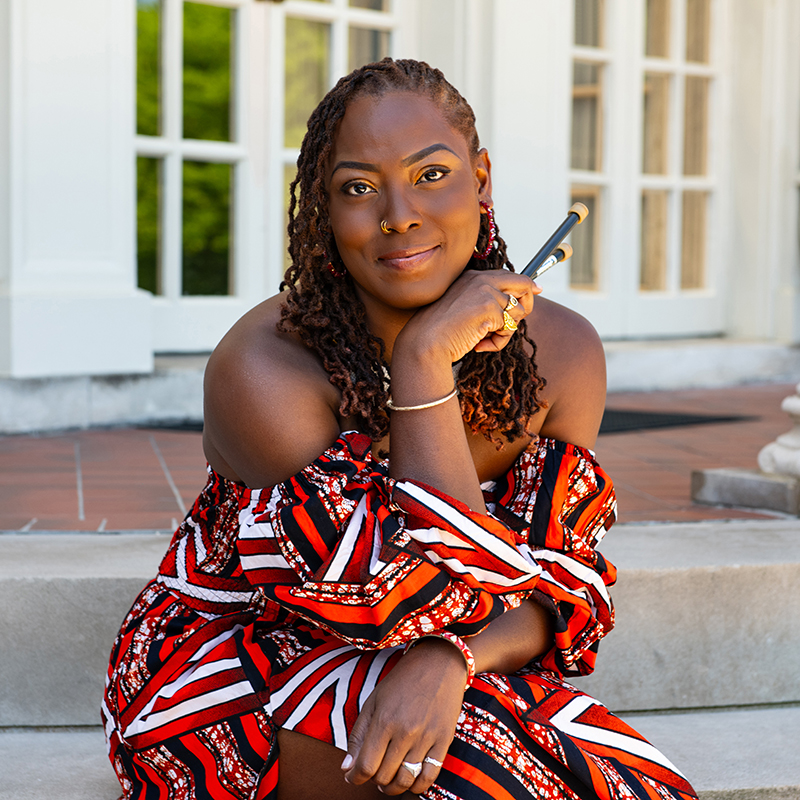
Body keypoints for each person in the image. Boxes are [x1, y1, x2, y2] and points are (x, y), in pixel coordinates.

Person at [103, 58, 697, 800]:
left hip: (453, 668)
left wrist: (452, 664)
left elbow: (565, 586)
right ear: (323, 208)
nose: (398, 214)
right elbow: (404, 599)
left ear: (481, 180)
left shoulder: (565, 353)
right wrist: (424, 365)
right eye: (357, 188)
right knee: (480, 768)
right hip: (239, 673)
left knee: (632, 776)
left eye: (431, 175)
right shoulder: (264, 370)